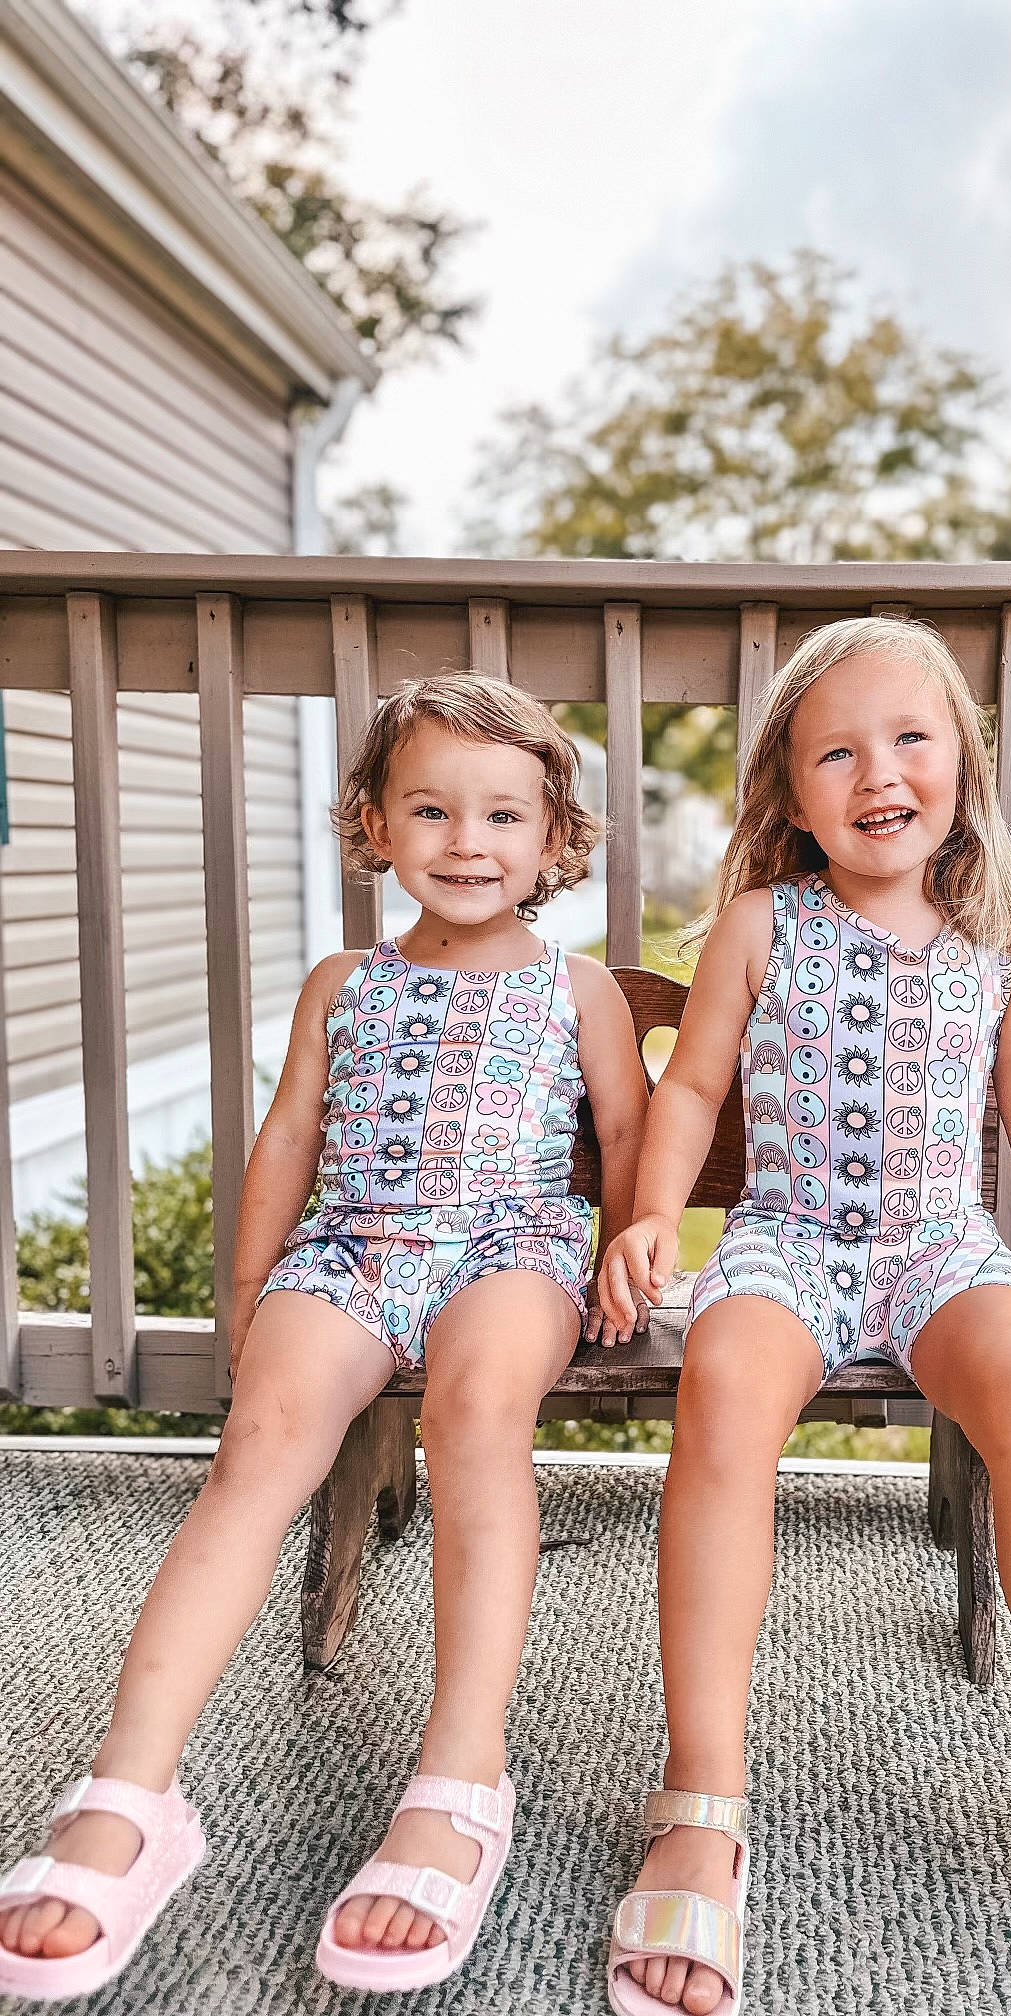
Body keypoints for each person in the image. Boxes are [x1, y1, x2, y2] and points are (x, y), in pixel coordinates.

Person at [595, 617, 1011, 2016]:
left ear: (961, 762)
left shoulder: (997, 936)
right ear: (790, 790)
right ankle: (701, 1792)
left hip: (943, 1244)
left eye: (910, 738)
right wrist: (649, 1214)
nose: (879, 771)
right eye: (838, 750)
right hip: (792, 1240)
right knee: (725, 1396)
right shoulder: (764, 925)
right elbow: (692, 1089)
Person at [0, 674, 649, 1999]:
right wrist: (251, 1290)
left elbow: (631, 1137)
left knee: (478, 1421)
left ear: (553, 840)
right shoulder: (342, 979)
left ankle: (461, 1776)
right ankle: (132, 1792)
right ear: (373, 823)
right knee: (263, 1443)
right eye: (431, 808)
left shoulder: (580, 989)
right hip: (350, 1246)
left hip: (508, 1249)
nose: (468, 840)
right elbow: (289, 1136)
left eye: (504, 815)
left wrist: (636, 1245)